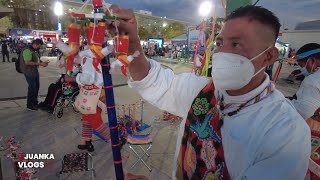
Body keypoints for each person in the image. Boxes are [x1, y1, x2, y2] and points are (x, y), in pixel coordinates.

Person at [106, 5, 311, 179]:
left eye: (236, 44)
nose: (222, 53)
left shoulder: (286, 130)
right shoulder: (201, 90)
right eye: (220, 43)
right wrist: (132, 42)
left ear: (268, 57)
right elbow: (153, 80)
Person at [291, 43, 320, 119]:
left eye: (301, 65)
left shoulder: (312, 81)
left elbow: (302, 113)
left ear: (312, 60)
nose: (301, 69)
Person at [20, 39, 48, 111]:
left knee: (36, 87)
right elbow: (27, 62)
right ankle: (29, 105)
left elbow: (36, 59)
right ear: (35, 44)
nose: (39, 47)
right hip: (29, 72)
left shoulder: (33, 50)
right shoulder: (27, 50)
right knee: (32, 88)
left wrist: (42, 62)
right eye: (39, 46)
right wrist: (40, 64)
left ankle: (35, 102)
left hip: (34, 71)